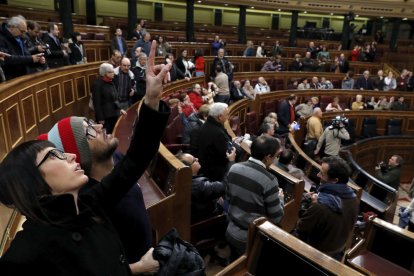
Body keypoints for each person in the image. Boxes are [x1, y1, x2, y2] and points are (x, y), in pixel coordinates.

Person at [0, 39, 172, 274]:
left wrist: (151, 98)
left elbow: (136, 158)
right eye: (54, 156)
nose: (70, 156)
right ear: (32, 182)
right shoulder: (24, 255)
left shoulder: (87, 204)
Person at [226, 135, 285, 257]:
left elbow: (228, 197)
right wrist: (280, 198)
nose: (276, 159)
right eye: (276, 156)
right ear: (268, 157)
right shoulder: (269, 180)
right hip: (249, 237)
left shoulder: (234, 168)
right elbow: (276, 217)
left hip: (230, 229)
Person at [296, 156, 359, 260]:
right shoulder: (353, 199)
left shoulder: (320, 206)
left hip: (314, 256)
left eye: (322, 173)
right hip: (336, 253)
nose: (317, 175)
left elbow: (301, 229)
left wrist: (307, 203)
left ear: (335, 180)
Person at [176, 152, 228, 223]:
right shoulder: (199, 185)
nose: (197, 159)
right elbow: (224, 186)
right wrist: (231, 162)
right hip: (210, 218)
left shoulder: (179, 178)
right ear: (188, 169)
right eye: (194, 160)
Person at [0, 16, 47, 80]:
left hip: (24, 74)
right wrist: (31, 58)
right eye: (22, 31)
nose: (23, 34)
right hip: (11, 78)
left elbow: (25, 55)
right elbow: (7, 59)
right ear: (12, 27)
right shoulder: (1, 38)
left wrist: (37, 59)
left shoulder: (19, 36)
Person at [198, 102, 235, 181]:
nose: (228, 117)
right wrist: (233, 151)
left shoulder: (208, 124)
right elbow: (226, 154)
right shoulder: (217, 132)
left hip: (207, 165)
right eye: (227, 115)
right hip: (215, 171)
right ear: (220, 117)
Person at [91, 62, 126, 134]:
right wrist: (100, 118)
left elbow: (115, 98)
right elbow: (96, 103)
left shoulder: (111, 81)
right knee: (106, 135)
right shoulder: (97, 84)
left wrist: (120, 109)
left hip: (114, 114)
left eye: (113, 71)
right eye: (110, 72)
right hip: (105, 117)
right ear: (104, 73)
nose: (113, 73)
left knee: (114, 132)